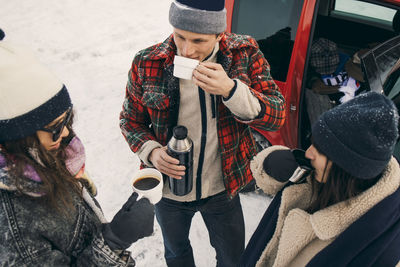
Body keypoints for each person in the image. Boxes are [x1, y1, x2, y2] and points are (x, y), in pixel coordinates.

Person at [119, 0, 286, 265]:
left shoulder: (244, 53)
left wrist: (231, 90)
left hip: (222, 188)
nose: (187, 50)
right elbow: (130, 121)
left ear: (219, 34)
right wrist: (152, 152)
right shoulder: (147, 62)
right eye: (180, 36)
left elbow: (276, 115)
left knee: (233, 259)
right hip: (169, 194)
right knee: (176, 254)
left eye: (199, 40)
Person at [0, 38, 155, 266]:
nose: (64, 134)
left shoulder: (40, 160)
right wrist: (113, 242)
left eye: (67, 121)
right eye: (54, 128)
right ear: (17, 136)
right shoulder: (12, 224)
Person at [240, 92, 400, 266]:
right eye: (313, 142)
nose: (308, 153)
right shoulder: (320, 178)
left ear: (347, 168)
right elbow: (270, 178)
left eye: (321, 150)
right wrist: (273, 163)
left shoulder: (379, 246)